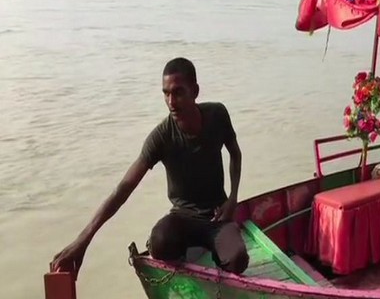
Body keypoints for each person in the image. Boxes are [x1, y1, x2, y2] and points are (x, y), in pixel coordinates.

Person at [51, 57, 249, 278]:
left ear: (195, 91)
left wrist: (232, 198)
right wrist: (83, 240)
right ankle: (178, 250)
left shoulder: (217, 115)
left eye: (178, 92)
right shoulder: (161, 137)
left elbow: (235, 153)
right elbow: (123, 189)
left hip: (217, 217)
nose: (171, 101)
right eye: (166, 93)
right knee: (160, 242)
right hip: (182, 218)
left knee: (239, 259)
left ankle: (214, 256)